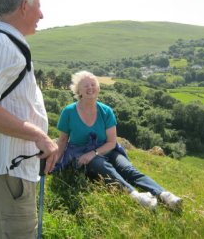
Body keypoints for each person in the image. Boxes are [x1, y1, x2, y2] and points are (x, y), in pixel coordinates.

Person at [0, 0, 58, 238]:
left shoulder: (3, 43)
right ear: (23, 6)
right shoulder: (1, 45)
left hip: (13, 172)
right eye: (38, 7)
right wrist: (39, 136)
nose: (41, 15)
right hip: (12, 174)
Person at [54, 71, 182, 211]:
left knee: (127, 168)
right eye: (85, 85)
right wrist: (55, 162)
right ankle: (136, 196)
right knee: (102, 164)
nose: (90, 88)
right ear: (78, 90)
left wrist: (94, 152)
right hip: (81, 155)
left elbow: (111, 143)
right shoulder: (69, 112)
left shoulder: (106, 111)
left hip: (106, 150)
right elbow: (63, 140)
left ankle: (164, 195)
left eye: (93, 84)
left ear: (98, 88)